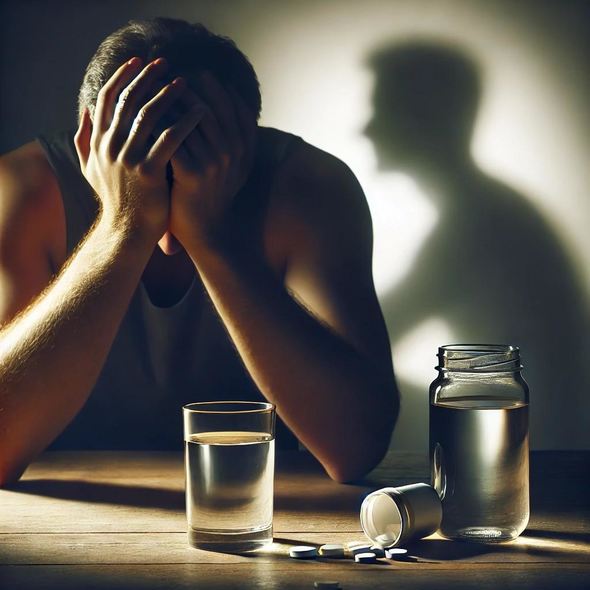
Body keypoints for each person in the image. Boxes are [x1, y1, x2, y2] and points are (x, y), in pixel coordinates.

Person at [0, 17, 398, 486]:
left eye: (200, 157)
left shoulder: (310, 187)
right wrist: (122, 225)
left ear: (247, 142)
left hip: (264, 506)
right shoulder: (22, 190)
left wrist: (212, 239)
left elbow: (357, 447)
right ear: (90, 141)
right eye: (146, 159)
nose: (167, 236)